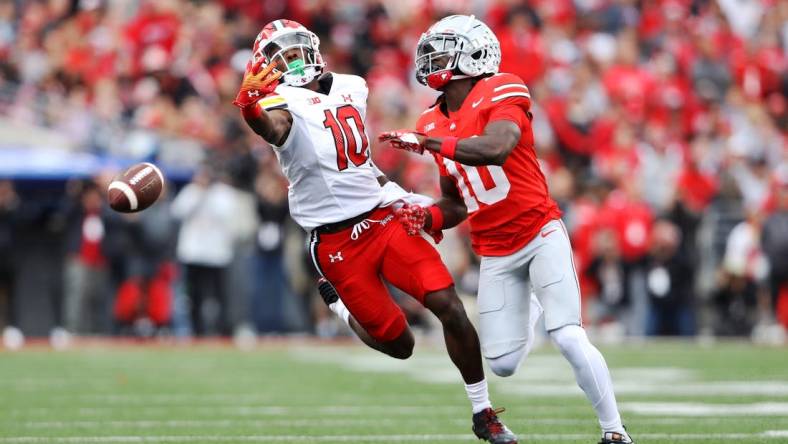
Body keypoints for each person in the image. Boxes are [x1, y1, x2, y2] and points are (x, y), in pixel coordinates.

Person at [233, 19, 517, 443]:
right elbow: (274, 128)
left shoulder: (353, 85)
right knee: (400, 344)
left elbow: (354, 160)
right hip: (334, 240)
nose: (293, 60)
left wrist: (392, 190)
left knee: (448, 304)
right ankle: (341, 308)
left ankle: (483, 412)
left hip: (381, 217)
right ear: (265, 67)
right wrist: (251, 108)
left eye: (297, 50)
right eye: (282, 55)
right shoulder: (279, 102)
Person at [379, 15, 634, 444]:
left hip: (539, 233)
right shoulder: (429, 121)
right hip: (493, 251)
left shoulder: (503, 87)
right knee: (502, 364)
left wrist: (431, 144)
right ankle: (532, 304)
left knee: (568, 336)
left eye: (444, 48)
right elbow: (457, 201)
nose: (431, 58)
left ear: (475, 53)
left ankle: (615, 432)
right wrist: (429, 218)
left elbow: (496, 148)